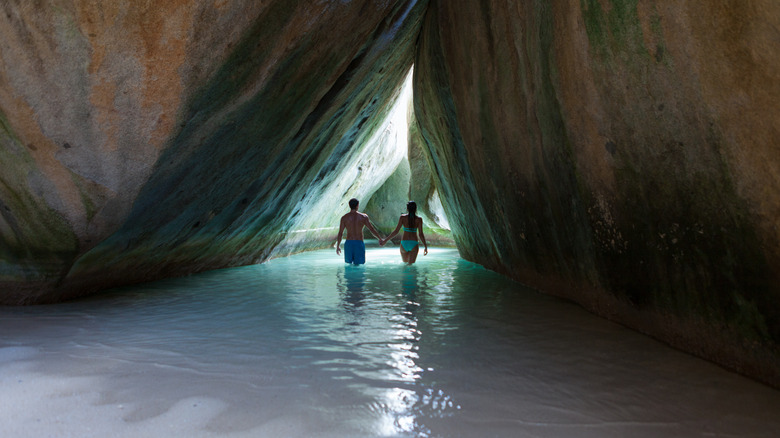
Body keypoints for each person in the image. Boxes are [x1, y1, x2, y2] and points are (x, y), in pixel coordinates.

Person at [335, 198, 383, 265]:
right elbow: (371, 229)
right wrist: (380, 238)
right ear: (357, 205)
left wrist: (338, 246)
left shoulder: (344, 218)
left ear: (349, 206)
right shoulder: (363, 217)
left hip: (349, 243)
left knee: (348, 265)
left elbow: (340, 233)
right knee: (359, 265)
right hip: (359, 243)